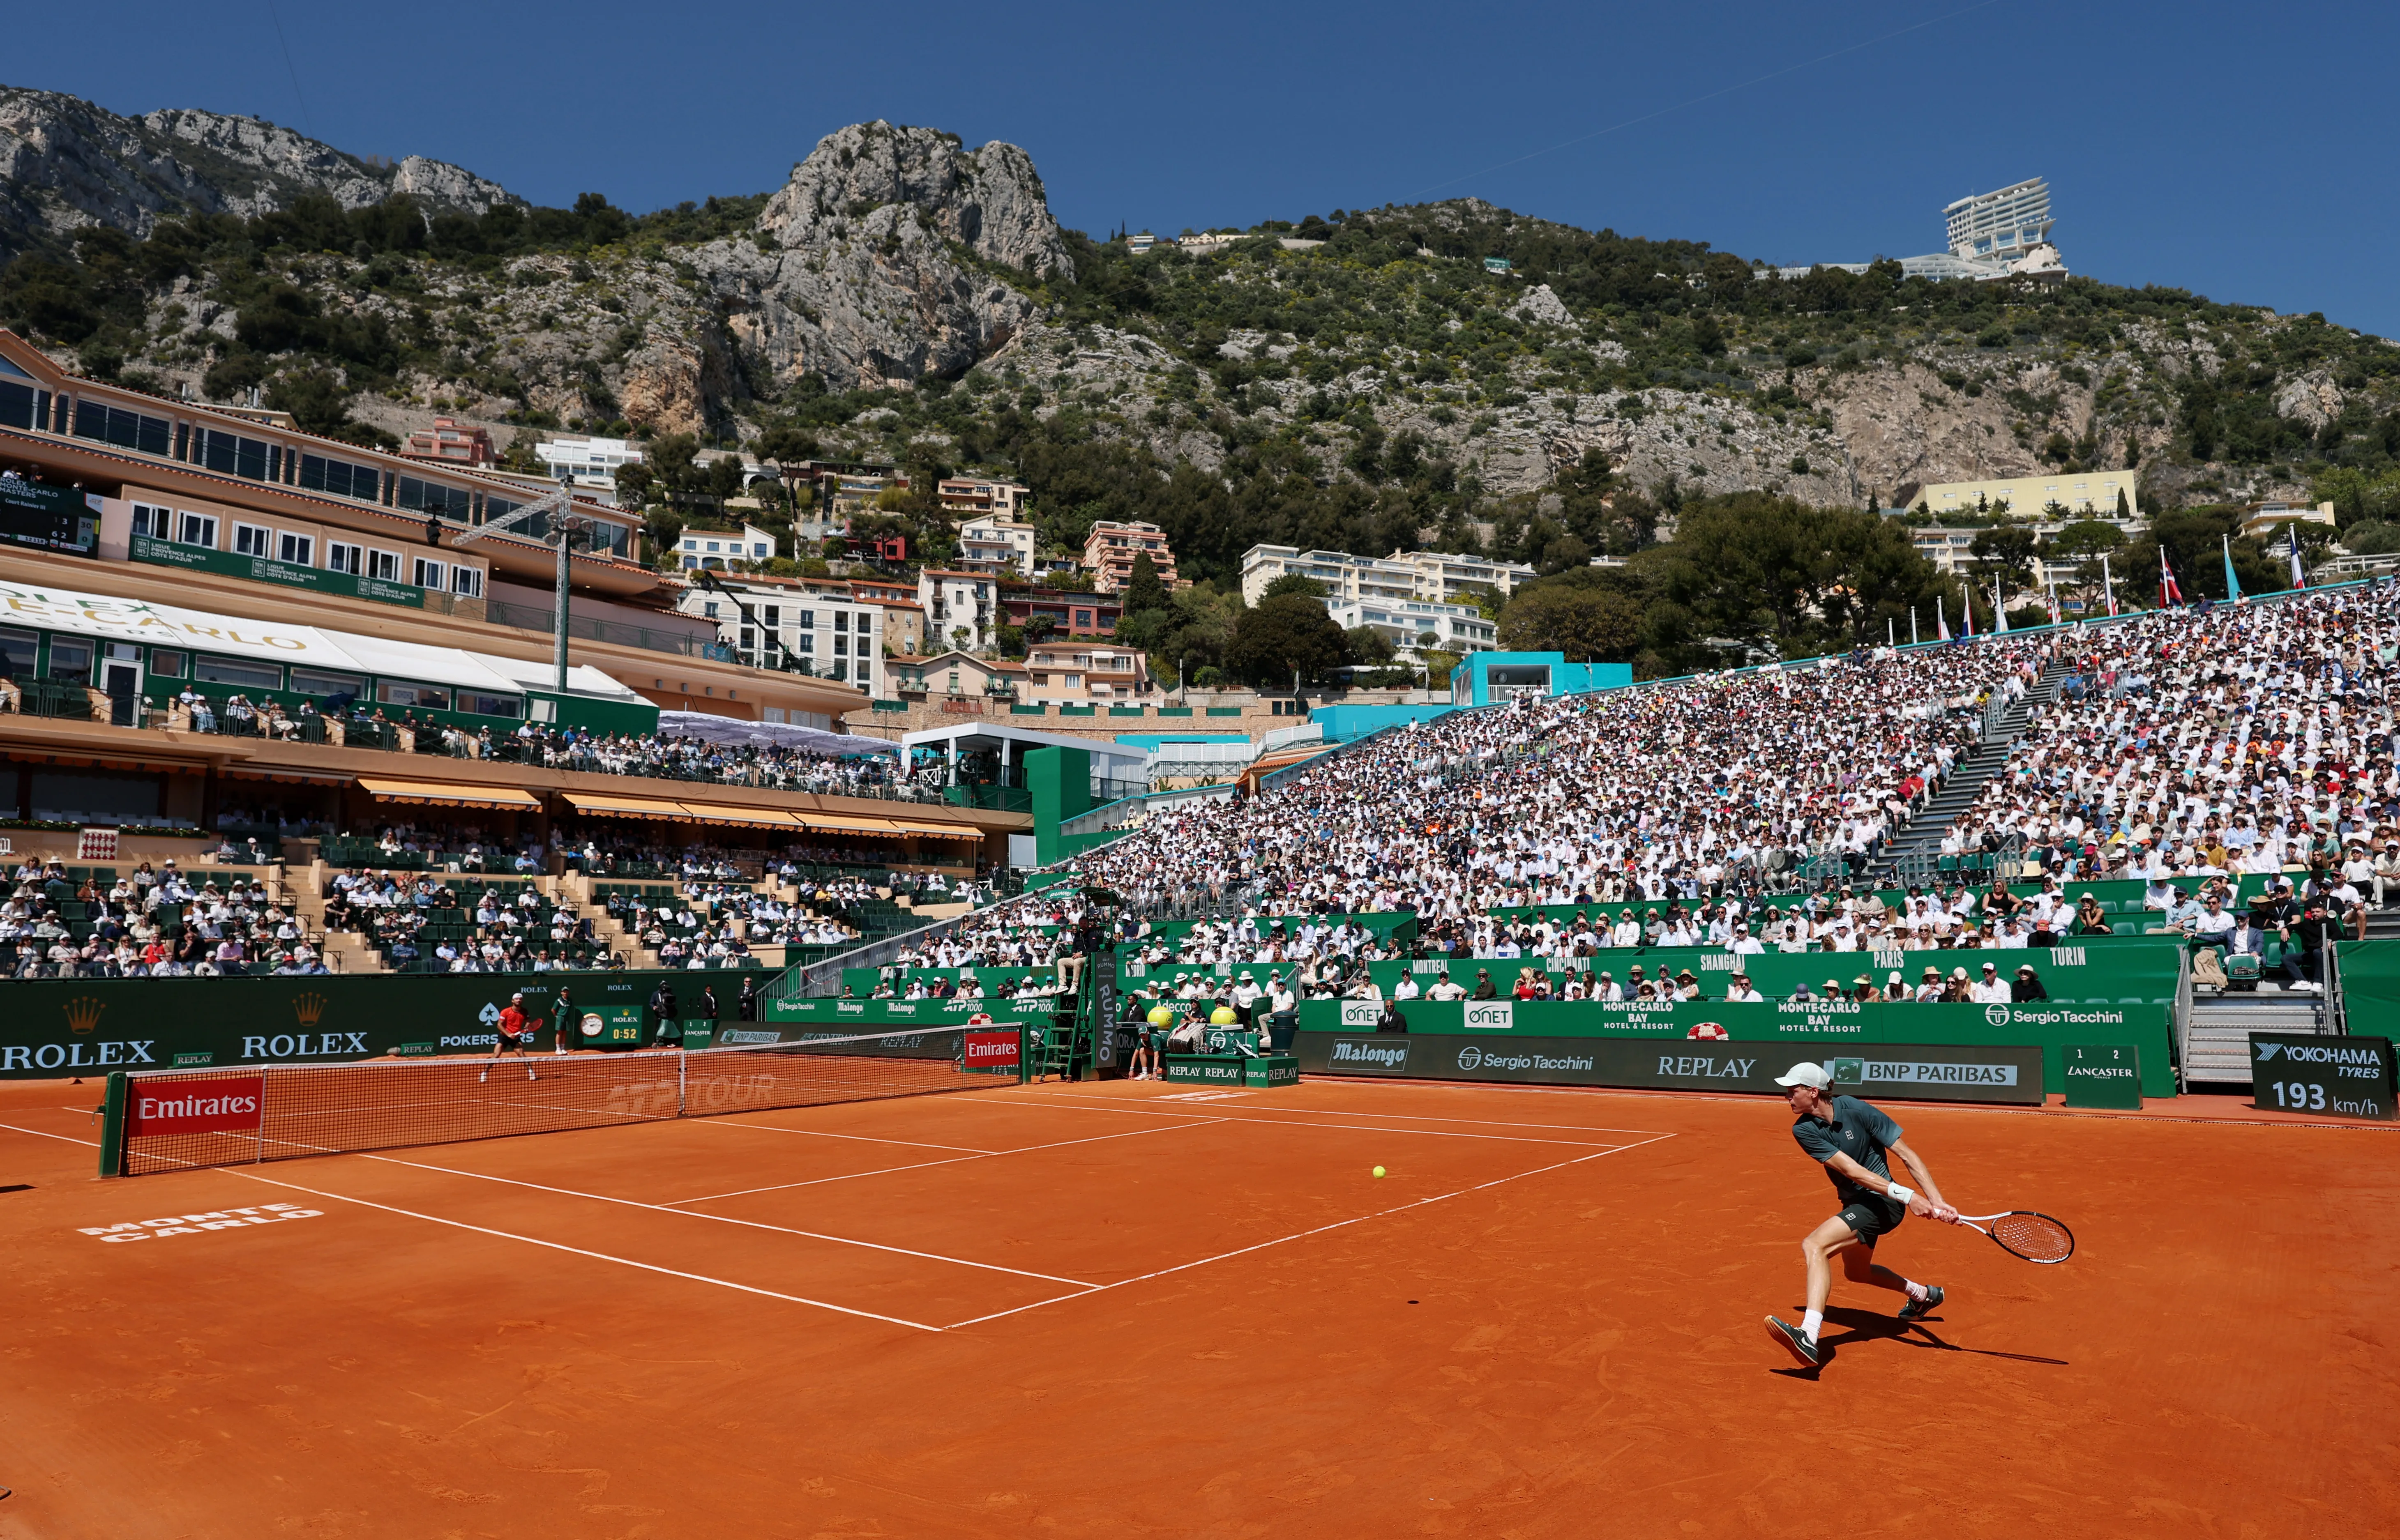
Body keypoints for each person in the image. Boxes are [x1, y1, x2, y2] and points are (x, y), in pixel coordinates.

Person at [1764, 1063, 1958, 1368]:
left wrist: (1937, 1200)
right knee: (1857, 1273)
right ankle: (1923, 1295)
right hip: (1859, 1203)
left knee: (1815, 1245)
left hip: (1883, 1204)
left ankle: (1809, 1334)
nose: (1787, 1097)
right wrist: (1910, 1196)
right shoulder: (1803, 1129)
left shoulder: (1855, 1108)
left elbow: (1906, 1154)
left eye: (1793, 1091)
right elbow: (1851, 1171)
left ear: (1813, 1092)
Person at [481, 992, 538, 1084]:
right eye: (517, 999)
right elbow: (499, 1025)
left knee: (522, 1055)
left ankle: (531, 1072)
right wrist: (508, 1034)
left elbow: (528, 1022)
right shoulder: (506, 1011)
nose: (519, 1000)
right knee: (496, 1056)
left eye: (520, 999)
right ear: (513, 1001)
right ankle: (484, 1073)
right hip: (504, 1036)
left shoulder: (524, 1011)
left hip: (516, 1037)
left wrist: (526, 1028)